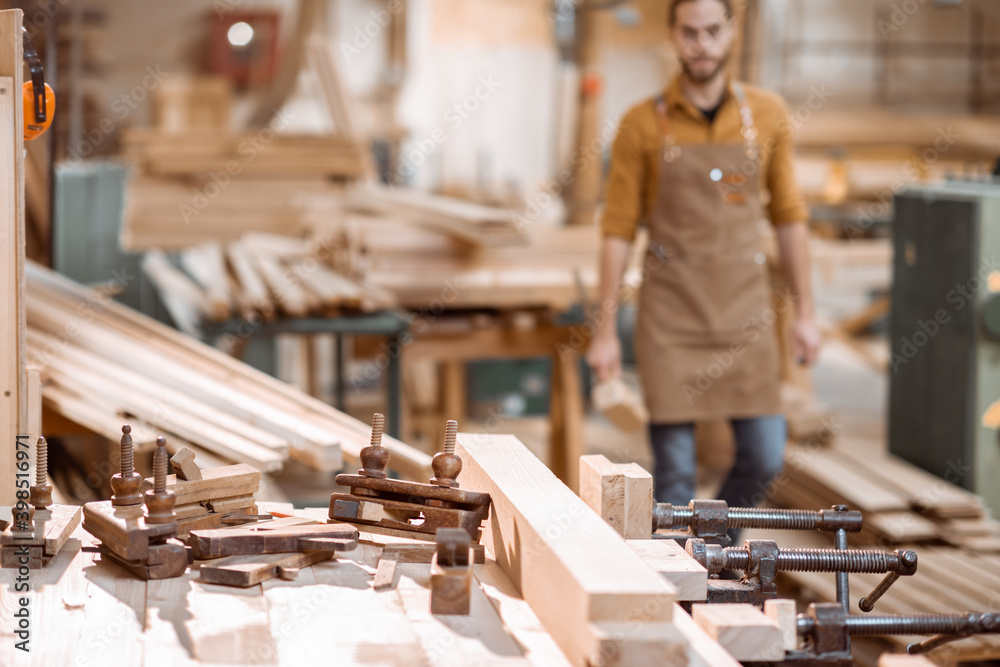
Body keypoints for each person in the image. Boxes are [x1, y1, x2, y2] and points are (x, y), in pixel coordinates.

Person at [586, 0, 821, 512]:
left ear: (731, 32)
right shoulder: (640, 125)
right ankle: (683, 584)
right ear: (672, 35)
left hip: (745, 319)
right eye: (690, 33)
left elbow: (789, 216)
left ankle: (718, 550)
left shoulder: (768, 115)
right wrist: (604, 331)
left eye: (713, 31)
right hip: (671, 321)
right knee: (675, 479)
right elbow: (617, 231)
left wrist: (805, 312)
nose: (702, 45)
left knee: (764, 457)